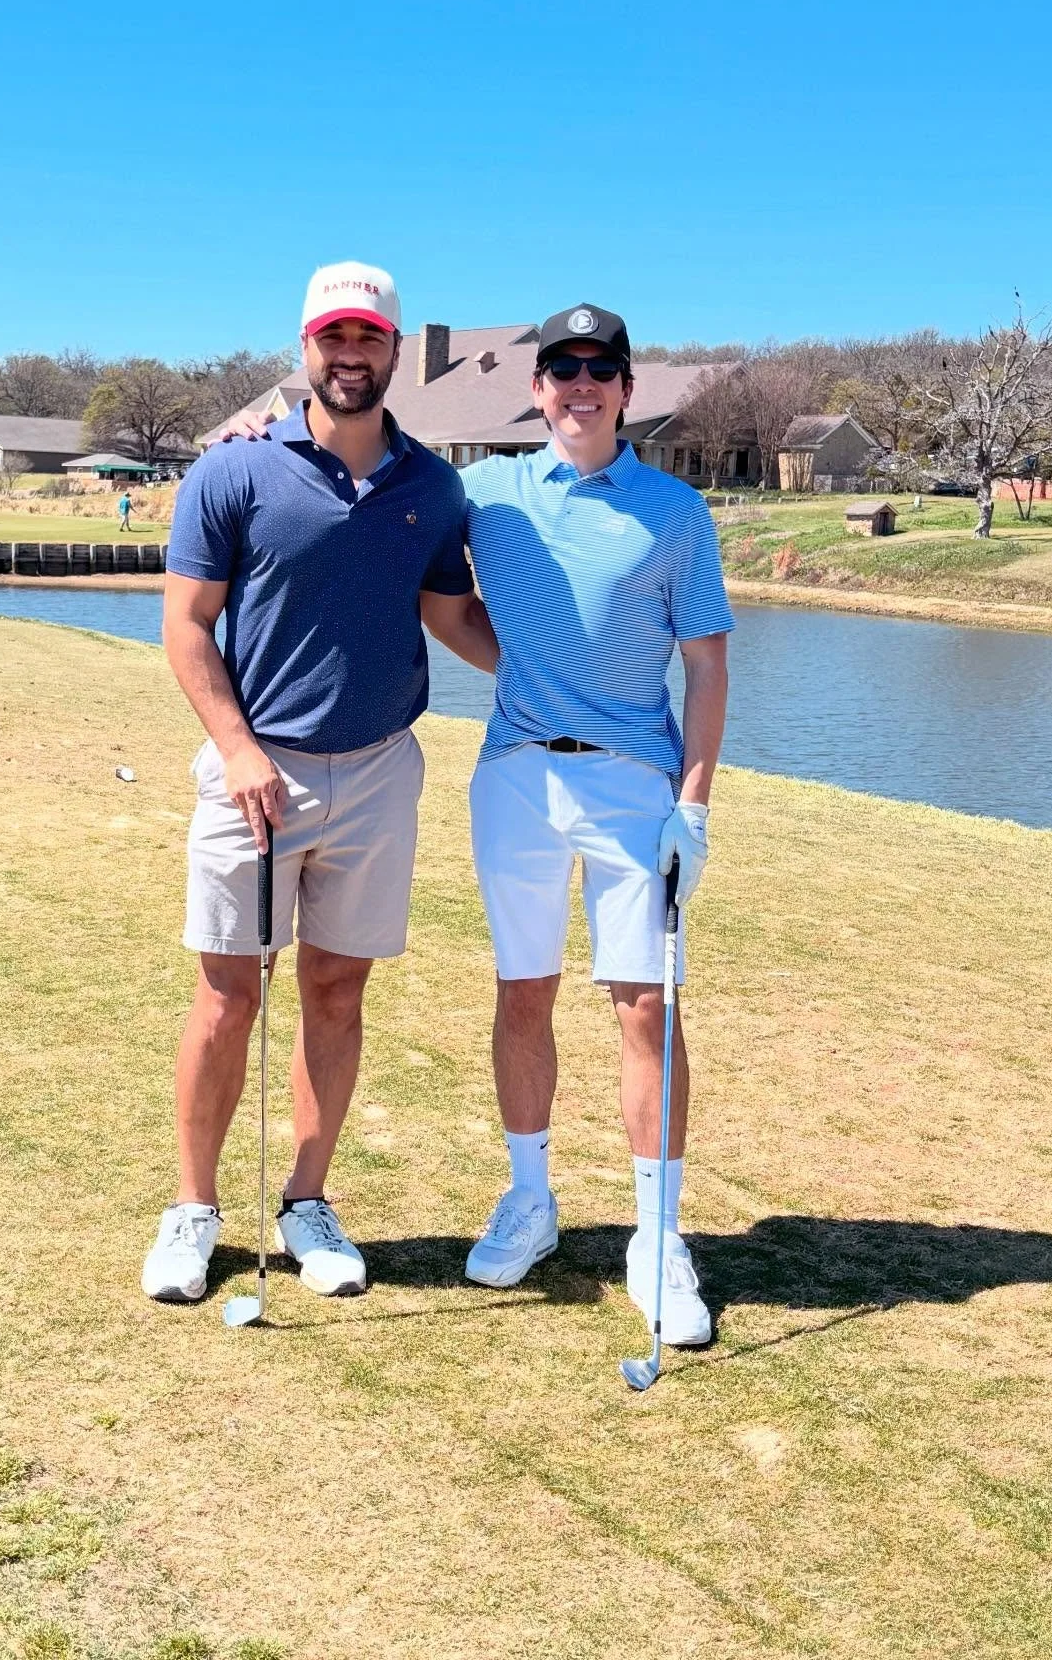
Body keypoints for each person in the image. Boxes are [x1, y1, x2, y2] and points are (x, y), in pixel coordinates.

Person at [141, 262, 481, 1306]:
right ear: (305, 348)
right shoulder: (234, 474)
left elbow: (454, 618)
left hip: (380, 772)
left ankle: (306, 1200)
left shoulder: (431, 485)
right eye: (332, 337)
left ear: (392, 351)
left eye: (368, 338)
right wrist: (239, 750)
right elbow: (186, 626)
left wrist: (565, 687)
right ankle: (196, 1211)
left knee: (337, 990)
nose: (350, 355)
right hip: (259, 772)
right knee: (226, 996)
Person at [426, 304, 732, 1346]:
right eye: (563, 369)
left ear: (627, 392)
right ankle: (531, 1201)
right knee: (523, 991)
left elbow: (705, 663)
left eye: (602, 370)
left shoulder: (675, 511)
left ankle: (657, 1233)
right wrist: (270, 437)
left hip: (636, 787)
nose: (581, 385)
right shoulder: (487, 492)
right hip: (515, 776)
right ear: (540, 387)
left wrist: (694, 799)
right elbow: (428, 577)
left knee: (644, 1003)